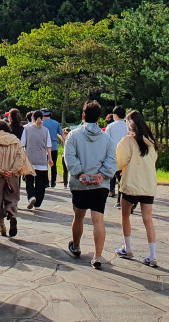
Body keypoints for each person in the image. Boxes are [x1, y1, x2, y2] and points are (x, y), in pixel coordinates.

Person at [63, 100, 117, 269]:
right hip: (100, 187)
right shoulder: (107, 139)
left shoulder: (73, 135)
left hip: (79, 185)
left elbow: (69, 158)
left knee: (78, 216)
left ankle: (77, 246)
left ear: (83, 116)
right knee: (98, 220)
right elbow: (111, 161)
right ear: (99, 118)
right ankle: (98, 256)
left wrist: (81, 174)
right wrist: (101, 176)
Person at [114, 110, 159, 267]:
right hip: (148, 185)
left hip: (131, 185)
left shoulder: (128, 141)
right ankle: (152, 256)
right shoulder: (150, 142)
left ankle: (128, 247)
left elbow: (119, 161)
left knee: (125, 215)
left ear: (129, 123)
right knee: (148, 219)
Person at [0, 119, 34, 238]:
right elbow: (20, 157)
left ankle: (2, 227)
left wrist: (1, 171)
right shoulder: (15, 140)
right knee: (12, 197)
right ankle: (12, 215)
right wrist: (11, 171)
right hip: (13, 175)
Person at [22, 110, 53, 210]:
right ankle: (38, 202)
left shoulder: (26, 130)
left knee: (29, 180)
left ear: (32, 118)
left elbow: (22, 145)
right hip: (42, 160)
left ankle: (31, 196)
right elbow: (48, 146)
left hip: (29, 160)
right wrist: (50, 159)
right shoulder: (45, 130)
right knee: (40, 182)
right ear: (42, 118)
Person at [105, 106, 128, 203]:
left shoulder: (110, 126)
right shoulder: (128, 126)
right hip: (127, 156)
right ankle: (122, 198)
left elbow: (106, 141)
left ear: (115, 115)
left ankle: (113, 192)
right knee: (123, 177)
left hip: (114, 155)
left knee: (115, 175)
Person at [41, 110, 65, 188]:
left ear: (43, 116)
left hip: (43, 147)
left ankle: (46, 182)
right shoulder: (56, 123)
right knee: (53, 165)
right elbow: (62, 134)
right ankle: (53, 182)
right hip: (54, 146)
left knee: (44, 165)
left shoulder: (41, 123)